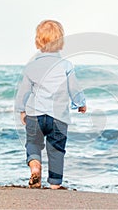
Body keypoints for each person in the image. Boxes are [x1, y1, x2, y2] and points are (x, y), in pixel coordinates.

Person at [15, 20, 86, 189]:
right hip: (58, 117)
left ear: (38, 42)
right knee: (56, 150)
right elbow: (74, 88)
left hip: (34, 115)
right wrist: (80, 103)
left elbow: (23, 91)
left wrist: (21, 110)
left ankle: (35, 167)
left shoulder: (31, 67)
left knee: (33, 143)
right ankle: (55, 184)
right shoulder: (66, 66)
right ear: (61, 41)